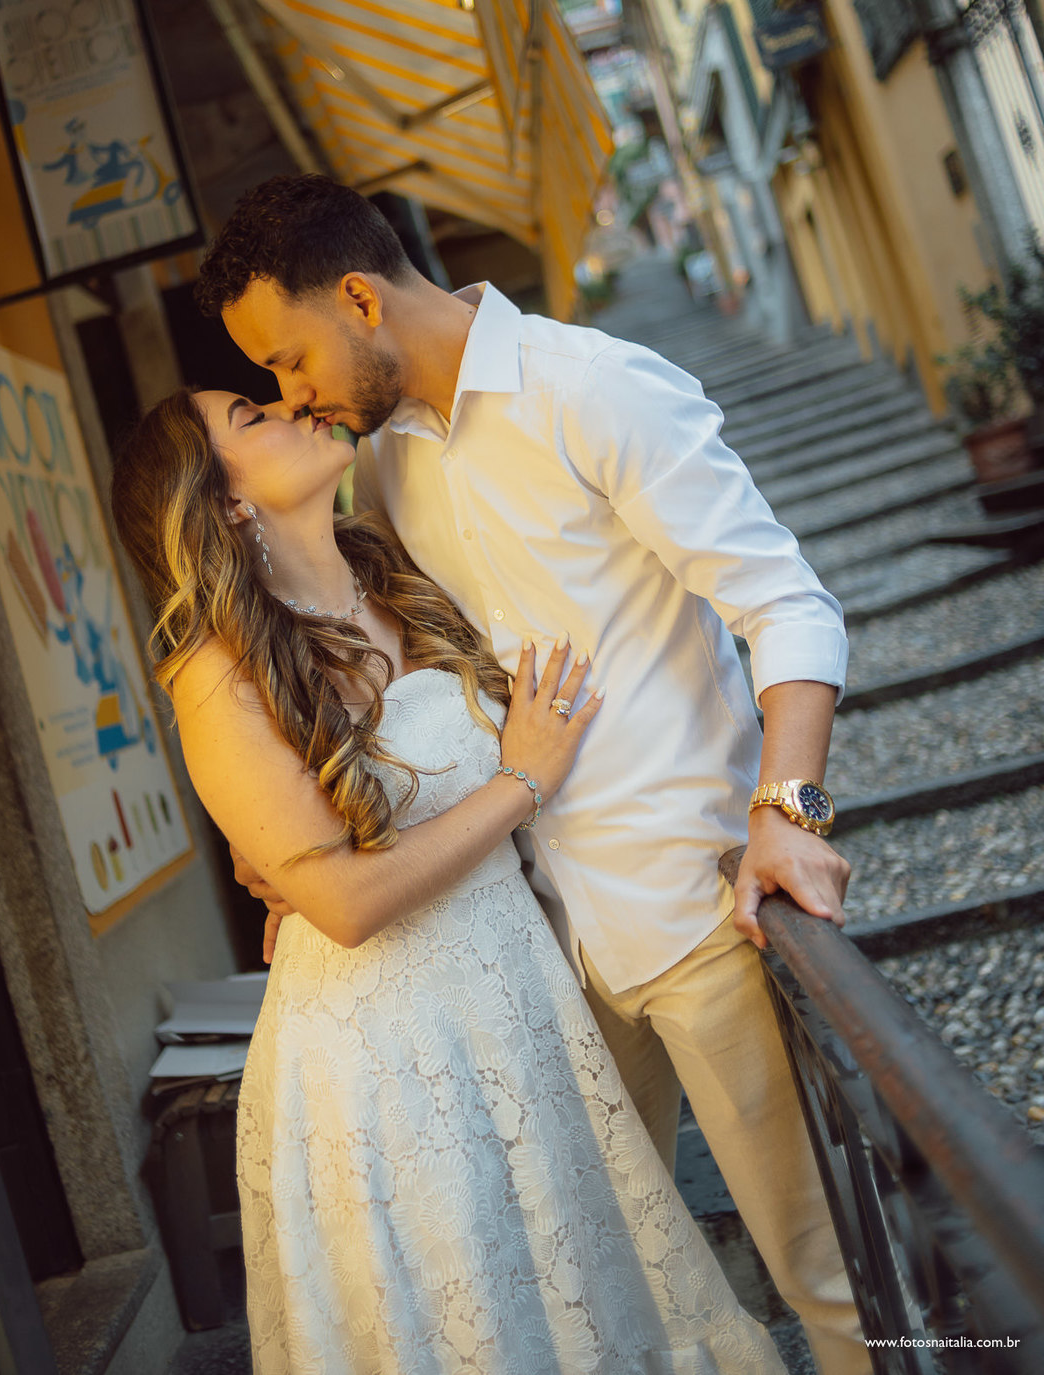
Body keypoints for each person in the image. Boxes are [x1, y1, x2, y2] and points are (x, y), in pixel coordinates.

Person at [193, 174, 868, 1375]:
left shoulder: (592, 387)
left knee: (819, 1265)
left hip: (697, 914)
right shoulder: (390, 465)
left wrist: (788, 808)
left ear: (359, 297)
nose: (289, 396)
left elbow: (785, 601)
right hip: (539, 956)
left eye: (290, 361)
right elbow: (394, 678)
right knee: (609, 1287)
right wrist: (288, 831)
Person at [111, 386, 784, 1374]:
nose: (290, 404)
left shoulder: (398, 574)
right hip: (389, 1052)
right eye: (253, 416)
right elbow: (343, 904)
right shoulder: (218, 673)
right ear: (227, 504)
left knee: (584, 1307)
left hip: (519, 1005)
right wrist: (523, 779)